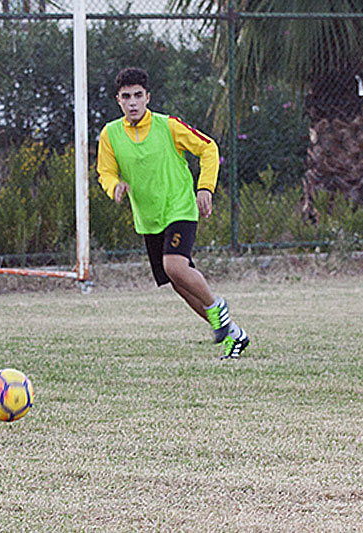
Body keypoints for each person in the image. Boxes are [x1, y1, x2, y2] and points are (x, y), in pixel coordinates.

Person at [96, 67, 249, 359]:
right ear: (118, 100)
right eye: (126, 97)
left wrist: (205, 187)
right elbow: (105, 171)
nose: (132, 103)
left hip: (180, 208)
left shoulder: (169, 126)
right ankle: (233, 334)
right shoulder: (110, 134)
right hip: (149, 219)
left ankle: (218, 308)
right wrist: (113, 186)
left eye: (138, 96)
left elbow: (209, 149)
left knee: (175, 267)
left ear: (147, 97)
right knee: (178, 283)